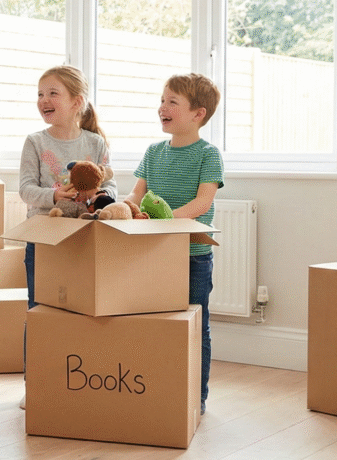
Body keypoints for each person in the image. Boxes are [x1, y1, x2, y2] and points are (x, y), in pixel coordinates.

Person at [17, 65, 116, 409]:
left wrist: (97, 198)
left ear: (77, 102)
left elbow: (110, 185)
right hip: (45, 239)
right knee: (40, 311)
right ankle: (36, 384)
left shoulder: (96, 143)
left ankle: (77, 381)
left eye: (52, 93)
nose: (43, 100)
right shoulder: (35, 142)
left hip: (85, 237)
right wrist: (55, 196)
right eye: (40, 94)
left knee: (82, 313)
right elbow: (27, 190)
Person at [125, 73, 223, 415]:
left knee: (196, 326)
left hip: (192, 256)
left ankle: (196, 397)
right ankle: (157, 388)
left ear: (198, 114)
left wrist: (167, 220)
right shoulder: (153, 152)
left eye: (172, 102)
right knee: (155, 324)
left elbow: (203, 203)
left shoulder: (208, 154)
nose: (162, 108)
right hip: (153, 254)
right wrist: (129, 210)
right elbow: (137, 193)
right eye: (162, 100)